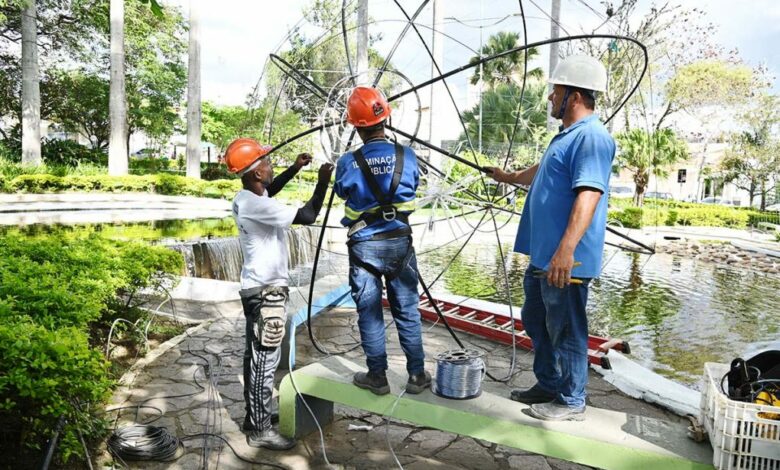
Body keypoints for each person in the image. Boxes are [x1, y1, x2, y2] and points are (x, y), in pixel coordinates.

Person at [487, 55, 616, 421]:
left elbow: (589, 194)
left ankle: (572, 400)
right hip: (544, 256)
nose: (549, 98)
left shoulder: (593, 137)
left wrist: (566, 250)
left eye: (555, 91)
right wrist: (508, 177)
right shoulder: (566, 137)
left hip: (566, 259)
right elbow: (542, 171)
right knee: (535, 317)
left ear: (573, 96)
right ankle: (549, 382)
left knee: (568, 328)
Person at [225, 138, 333, 449]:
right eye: (267, 164)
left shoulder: (249, 196)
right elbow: (309, 215)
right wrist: (322, 183)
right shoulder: (256, 204)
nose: (271, 166)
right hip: (266, 291)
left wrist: (296, 168)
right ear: (256, 173)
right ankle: (259, 431)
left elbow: (273, 189)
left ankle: (256, 416)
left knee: (257, 358)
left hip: (258, 287)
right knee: (264, 361)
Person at [333, 86, 430, 395]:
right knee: (407, 309)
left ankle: (378, 376)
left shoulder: (349, 162)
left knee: (370, 312)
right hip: (400, 244)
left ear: (355, 126)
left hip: (364, 246)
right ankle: (416, 375)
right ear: (385, 119)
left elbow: (341, 191)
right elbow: (412, 186)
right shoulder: (408, 155)